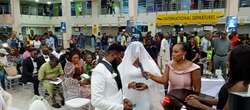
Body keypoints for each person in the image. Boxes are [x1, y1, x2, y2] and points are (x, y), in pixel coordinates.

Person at [185, 44, 250, 110]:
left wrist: (199, 105)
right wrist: (200, 99)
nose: (227, 63)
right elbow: (222, 102)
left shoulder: (240, 86)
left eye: (229, 61)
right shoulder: (240, 81)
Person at [118, 42, 165, 110]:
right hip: (130, 95)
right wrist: (128, 85)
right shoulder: (123, 65)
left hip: (146, 95)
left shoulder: (150, 64)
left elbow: (157, 80)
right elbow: (118, 82)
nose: (137, 53)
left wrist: (147, 85)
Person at [91, 43, 132, 110]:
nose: (121, 61)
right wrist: (121, 107)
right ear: (113, 55)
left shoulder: (113, 68)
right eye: (121, 57)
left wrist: (123, 99)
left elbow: (114, 91)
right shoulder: (99, 70)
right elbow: (96, 101)